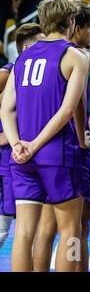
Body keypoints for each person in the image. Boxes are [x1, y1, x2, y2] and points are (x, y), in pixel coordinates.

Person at [0, 0, 89, 272]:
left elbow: (6, 108)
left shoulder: (23, 56)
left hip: (23, 157)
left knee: (24, 232)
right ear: (71, 22)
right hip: (57, 153)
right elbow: (67, 111)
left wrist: (17, 144)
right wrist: (36, 144)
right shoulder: (75, 55)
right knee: (70, 231)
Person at [32, 2, 90, 272]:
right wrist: (82, 137)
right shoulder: (79, 57)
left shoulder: (34, 55)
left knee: (46, 228)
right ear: (75, 25)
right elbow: (76, 107)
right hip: (69, 149)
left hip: (38, 150)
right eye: (89, 26)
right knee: (77, 228)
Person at [0, 23, 44, 249]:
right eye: (41, 41)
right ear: (27, 48)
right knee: (7, 228)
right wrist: (7, 136)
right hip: (13, 154)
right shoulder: (9, 72)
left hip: (24, 153)